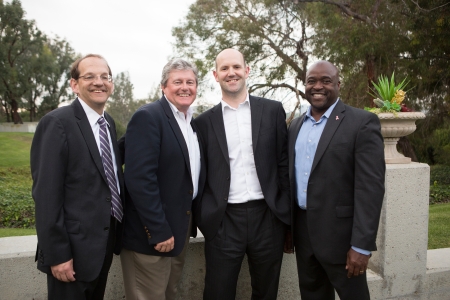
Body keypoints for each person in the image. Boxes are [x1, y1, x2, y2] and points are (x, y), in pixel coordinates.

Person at [193, 48, 291, 300]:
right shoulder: (203, 122)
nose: (231, 73)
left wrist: (284, 215)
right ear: (215, 75)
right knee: (217, 292)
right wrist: (205, 216)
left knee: (266, 291)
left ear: (246, 71)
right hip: (224, 220)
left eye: (236, 67)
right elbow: (200, 173)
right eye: (224, 68)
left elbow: (283, 163)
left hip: (268, 218)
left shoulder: (272, 110)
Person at [288, 60, 385, 300]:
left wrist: (361, 246)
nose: (318, 86)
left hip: (343, 241)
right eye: (312, 81)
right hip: (304, 235)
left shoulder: (361, 122)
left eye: (326, 81)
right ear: (305, 85)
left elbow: (370, 188)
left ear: (338, 84)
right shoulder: (295, 126)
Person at [31, 54, 124, 300]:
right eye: (89, 76)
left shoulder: (108, 124)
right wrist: (58, 255)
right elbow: (47, 196)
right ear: (74, 85)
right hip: (70, 252)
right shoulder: (57, 123)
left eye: (105, 77)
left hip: (102, 245)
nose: (99, 82)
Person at [120, 58, 204, 300]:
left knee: (169, 293)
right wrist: (157, 230)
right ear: (163, 87)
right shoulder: (148, 117)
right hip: (152, 234)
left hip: (178, 229)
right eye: (177, 81)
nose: (185, 87)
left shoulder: (190, 122)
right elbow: (138, 179)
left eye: (190, 82)